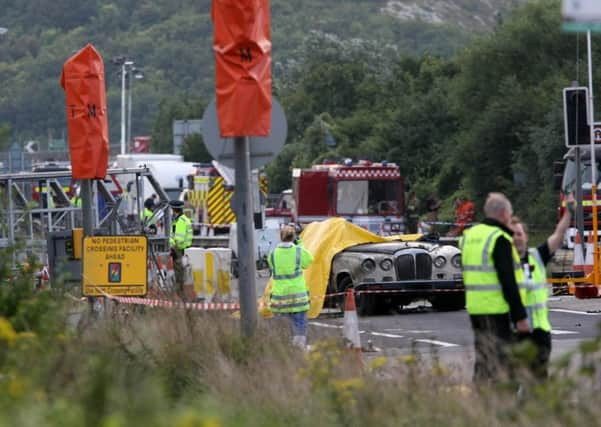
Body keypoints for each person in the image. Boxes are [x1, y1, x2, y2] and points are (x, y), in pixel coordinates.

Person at [460, 192, 530, 384]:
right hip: (496, 309)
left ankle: (480, 400)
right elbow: (507, 281)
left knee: (483, 359)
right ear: (503, 213)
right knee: (501, 362)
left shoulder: (469, 236)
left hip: (475, 308)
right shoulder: (499, 238)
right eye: (509, 213)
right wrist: (520, 317)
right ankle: (498, 404)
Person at [510, 194, 574, 380]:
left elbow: (559, 235)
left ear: (526, 236)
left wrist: (568, 212)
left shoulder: (537, 256)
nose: (516, 238)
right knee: (516, 379)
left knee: (539, 379)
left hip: (540, 332)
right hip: (516, 331)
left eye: (519, 233)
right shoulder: (503, 262)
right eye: (512, 234)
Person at [268, 224, 314, 349]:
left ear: (280, 237)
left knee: (282, 327)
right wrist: (299, 245)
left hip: (280, 299)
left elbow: (271, 265)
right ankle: (298, 349)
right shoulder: (298, 251)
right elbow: (309, 260)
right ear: (294, 237)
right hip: (298, 298)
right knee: (299, 324)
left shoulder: (273, 254)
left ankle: (284, 350)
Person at [169, 200, 193, 295]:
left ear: (174, 210)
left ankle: (180, 295)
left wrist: (173, 247)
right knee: (181, 273)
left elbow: (179, 239)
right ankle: (181, 293)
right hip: (182, 250)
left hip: (179, 250)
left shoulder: (180, 221)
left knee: (179, 274)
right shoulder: (182, 219)